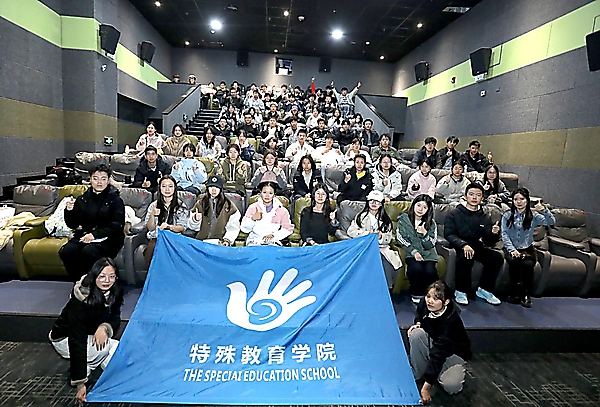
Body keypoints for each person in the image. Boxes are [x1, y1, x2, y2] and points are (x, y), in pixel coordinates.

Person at [49, 257, 123, 405]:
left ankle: (92, 362)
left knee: (119, 351)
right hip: (65, 338)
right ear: (94, 276)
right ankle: (84, 370)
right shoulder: (81, 301)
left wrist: (104, 327)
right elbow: (77, 341)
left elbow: (115, 318)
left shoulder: (114, 292)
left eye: (111, 276)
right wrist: (80, 384)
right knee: (104, 348)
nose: (107, 281)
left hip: (91, 334)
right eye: (102, 276)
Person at [407, 281, 471, 404]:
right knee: (416, 334)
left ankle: (434, 374)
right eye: (428, 296)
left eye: (436, 299)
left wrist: (426, 389)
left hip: (453, 353)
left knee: (452, 386)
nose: (430, 301)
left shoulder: (451, 321)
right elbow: (420, 311)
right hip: (435, 344)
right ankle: (419, 372)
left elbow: (438, 355)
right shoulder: (425, 303)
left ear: (446, 302)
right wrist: (418, 323)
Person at [60, 165, 125, 281]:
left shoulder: (115, 200)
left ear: (108, 180)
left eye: (103, 179)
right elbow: (73, 225)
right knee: (67, 251)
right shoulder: (83, 199)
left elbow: (117, 225)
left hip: (110, 238)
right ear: (90, 179)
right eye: (95, 178)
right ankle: (79, 281)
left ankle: (92, 282)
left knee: (89, 251)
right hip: (87, 235)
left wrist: (94, 235)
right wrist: (69, 211)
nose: (99, 182)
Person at [444, 183, 504, 306]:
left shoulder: (485, 216)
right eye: (471, 194)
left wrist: (493, 233)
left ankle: (484, 290)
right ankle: (460, 291)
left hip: (476, 245)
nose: (474, 197)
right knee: (466, 256)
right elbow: (449, 234)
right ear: (466, 196)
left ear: (482, 198)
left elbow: (488, 242)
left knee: (496, 257)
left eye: (478, 195)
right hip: (459, 245)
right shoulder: (454, 213)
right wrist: (463, 245)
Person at [501, 188, 555, 307]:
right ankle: (515, 293)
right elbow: (504, 234)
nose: (519, 202)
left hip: (527, 248)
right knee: (515, 262)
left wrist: (544, 210)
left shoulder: (534, 215)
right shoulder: (507, 215)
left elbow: (550, 222)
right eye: (516, 199)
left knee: (528, 264)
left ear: (527, 200)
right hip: (511, 247)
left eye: (522, 199)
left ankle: (526, 294)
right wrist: (512, 250)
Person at [347, 190, 401, 289]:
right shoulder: (360, 217)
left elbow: (388, 238)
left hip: (381, 248)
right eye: (371, 200)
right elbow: (351, 231)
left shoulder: (386, 220)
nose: (374, 203)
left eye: (377, 201)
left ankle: (387, 290)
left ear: (381, 204)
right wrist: (367, 234)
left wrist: (381, 237)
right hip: (364, 248)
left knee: (386, 264)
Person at [396, 195, 439, 303]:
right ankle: (417, 294)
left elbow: (431, 243)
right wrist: (414, 252)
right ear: (413, 205)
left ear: (428, 210)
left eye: (424, 207)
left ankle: (430, 295)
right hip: (412, 252)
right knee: (416, 269)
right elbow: (400, 238)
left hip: (428, 253)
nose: (420, 209)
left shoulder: (432, 223)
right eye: (418, 205)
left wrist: (424, 234)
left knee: (430, 271)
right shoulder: (404, 219)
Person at [143, 175, 189, 268]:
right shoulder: (153, 205)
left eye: (170, 186)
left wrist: (169, 227)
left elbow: (182, 228)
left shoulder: (181, 206)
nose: (167, 189)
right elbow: (150, 228)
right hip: (157, 238)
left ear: (174, 188)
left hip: (174, 239)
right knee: (151, 249)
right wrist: (153, 215)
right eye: (164, 186)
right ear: (160, 188)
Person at [188, 175, 241, 246]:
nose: (213, 190)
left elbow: (233, 228)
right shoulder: (200, 203)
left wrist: (227, 240)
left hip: (220, 243)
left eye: (216, 187)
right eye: (211, 187)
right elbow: (192, 227)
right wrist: (195, 220)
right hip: (201, 242)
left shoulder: (229, 206)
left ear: (221, 189)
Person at [241, 181, 293, 246]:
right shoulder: (253, 207)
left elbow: (288, 229)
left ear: (274, 194)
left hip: (273, 240)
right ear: (260, 193)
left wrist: (274, 235)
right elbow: (244, 229)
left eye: (270, 193)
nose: (267, 196)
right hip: (254, 239)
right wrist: (253, 219)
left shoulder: (282, 210)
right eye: (264, 192)